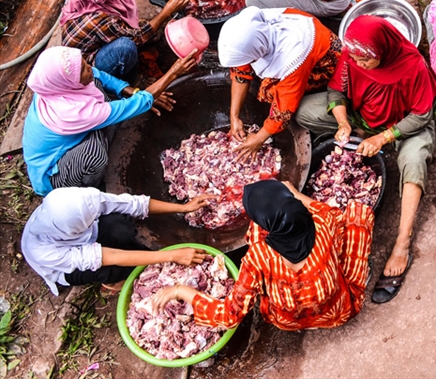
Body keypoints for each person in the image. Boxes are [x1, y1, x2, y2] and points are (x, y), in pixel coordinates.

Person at [295, 16, 436, 304]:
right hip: (362, 117)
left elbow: (422, 114)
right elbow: (337, 88)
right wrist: (343, 121)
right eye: (356, 59)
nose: (358, 64)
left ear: (381, 52)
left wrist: (384, 138)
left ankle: (402, 242)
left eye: (365, 62)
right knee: (303, 113)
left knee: (413, 161)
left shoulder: (412, 66)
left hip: (403, 126)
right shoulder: (354, 54)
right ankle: (357, 132)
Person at [147, 180, 374, 331]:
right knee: (358, 214)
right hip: (336, 310)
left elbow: (229, 316)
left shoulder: (258, 257)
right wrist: (294, 194)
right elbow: (333, 213)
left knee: (256, 235)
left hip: (286, 321)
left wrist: (179, 290)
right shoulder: (323, 223)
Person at [23, 46, 197, 196]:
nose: (89, 68)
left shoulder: (54, 85)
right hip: (54, 175)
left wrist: (135, 92)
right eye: (83, 70)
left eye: (85, 63)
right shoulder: (71, 113)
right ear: (68, 81)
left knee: (96, 85)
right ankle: (94, 187)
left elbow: (99, 76)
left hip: (71, 141)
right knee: (94, 154)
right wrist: (172, 74)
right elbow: (131, 107)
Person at [21, 187, 212, 295]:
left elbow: (133, 204)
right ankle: (113, 283)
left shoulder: (81, 200)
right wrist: (171, 256)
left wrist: (184, 208)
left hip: (89, 234)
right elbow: (110, 256)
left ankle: (136, 257)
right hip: (67, 269)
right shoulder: (41, 249)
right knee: (113, 270)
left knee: (121, 227)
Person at [217, 7, 343, 160]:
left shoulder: (294, 56)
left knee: (272, 93)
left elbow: (283, 110)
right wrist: (234, 116)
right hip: (295, 59)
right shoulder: (255, 30)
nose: (247, 63)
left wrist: (259, 138)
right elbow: (240, 73)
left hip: (325, 67)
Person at [60, 0, 191, 84]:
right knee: (126, 47)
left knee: (144, 32)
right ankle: (129, 80)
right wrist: (167, 11)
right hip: (90, 65)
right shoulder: (100, 19)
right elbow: (138, 37)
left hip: (100, 36)